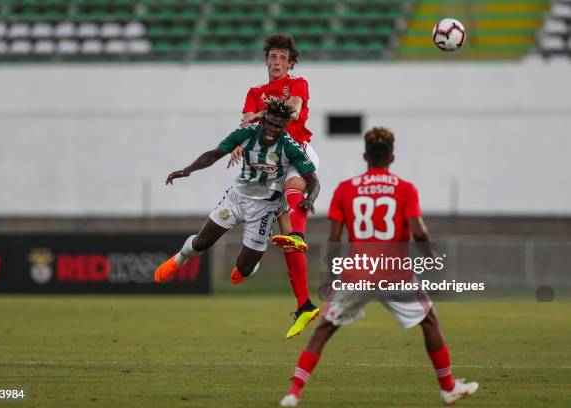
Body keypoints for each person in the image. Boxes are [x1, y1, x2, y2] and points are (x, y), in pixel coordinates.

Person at [280, 127, 478, 407]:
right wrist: (429, 252)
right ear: (392, 157)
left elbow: (334, 240)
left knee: (325, 329)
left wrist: (331, 277)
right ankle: (448, 387)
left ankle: (293, 393)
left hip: (357, 272)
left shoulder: (346, 189)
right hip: (395, 272)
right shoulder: (405, 189)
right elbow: (419, 232)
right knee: (429, 321)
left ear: (365, 156)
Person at [154, 98, 320, 296]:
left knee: (244, 269)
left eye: (278, 126)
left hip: (265, 209)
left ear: (285, 126)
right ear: (263, 120)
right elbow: (214, 154)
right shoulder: (246, 134)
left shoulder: (290, 147)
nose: (272, 129)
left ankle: (249, 263)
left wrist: (310, 198)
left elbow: (313, 180)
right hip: (236, 199)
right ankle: (180, 259)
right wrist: (188, 170)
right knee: (202, 243)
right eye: (269, 123)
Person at [229, 33, 319, 339]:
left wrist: (260, 117)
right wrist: (242, 142)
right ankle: (305, 305)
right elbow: (245, 123)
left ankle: (298, 233)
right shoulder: (255, 91)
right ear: (266, 60)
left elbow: (292, 110)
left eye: (282, 57)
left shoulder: (298, 83)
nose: (276, 62)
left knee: (295, 189)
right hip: (271, 166)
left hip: (298, 151)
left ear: (290, 62)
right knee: (287, 245)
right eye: (272, 57)